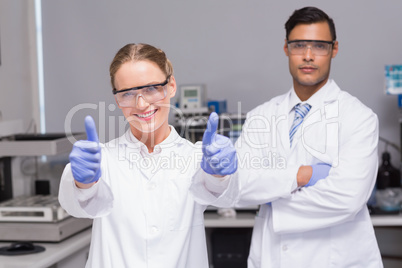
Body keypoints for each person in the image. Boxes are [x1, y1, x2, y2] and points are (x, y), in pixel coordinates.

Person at [58, 43, 240, 268]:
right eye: (127, 93)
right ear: (117, 99)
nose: (141, 104)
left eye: (152, 88)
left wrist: (219, 175)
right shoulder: (102, 160)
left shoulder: (195, 159)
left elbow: (224, 196)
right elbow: (77, 205)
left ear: (171, 86)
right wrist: (83, 183)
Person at [228, 6, 382, 268]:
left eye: (319, 46)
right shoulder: (260, 117)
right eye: (299, 45)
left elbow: (347, 198)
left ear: (334, 49)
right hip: (272, 258)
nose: (308, 56)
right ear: (286, 48)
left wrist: (271, 197)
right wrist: (303, 175)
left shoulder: (359, 118)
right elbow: (238, 187)